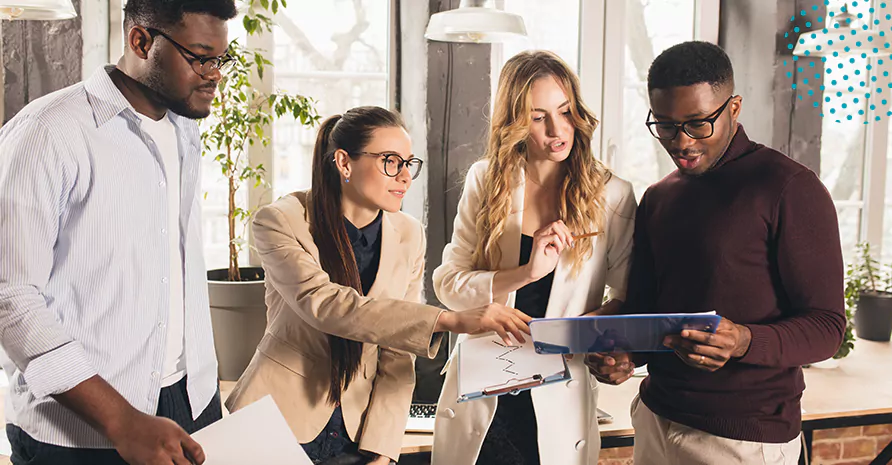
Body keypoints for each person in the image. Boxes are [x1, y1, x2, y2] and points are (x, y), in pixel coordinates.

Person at [0, 1, 240, 464]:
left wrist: (204, 399)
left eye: (221, 59)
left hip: (189, 404)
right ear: (141, 42)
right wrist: (120, 419)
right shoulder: (48, 131)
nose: (215, 74)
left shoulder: (183, 127)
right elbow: (10, 294)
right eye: (200, 57)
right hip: (80, 432)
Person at [224, 106, 532, 465]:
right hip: (275, 421)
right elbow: (325, 305)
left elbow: (397, 354)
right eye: (390, 161)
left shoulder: (409, 234)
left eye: (408, 163)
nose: (404, 176)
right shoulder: (281, 220)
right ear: (344, 163)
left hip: (358, 435)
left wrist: (384, 450)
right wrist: (448, 320)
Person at [592, 41, 846, 465]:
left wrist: (745, 340)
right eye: (667, 126)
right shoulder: (658, 197)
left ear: (734, 107)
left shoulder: (789, 188)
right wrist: (626, 355)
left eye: (697, 123)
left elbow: (827, 328)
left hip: (743, 439)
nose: (682, 142)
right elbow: (650, 309)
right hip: (656, 418)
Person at [430, 50, 638, 465]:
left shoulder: (613, 194)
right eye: (538, 116)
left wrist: (582, 334)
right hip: (483, 398)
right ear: (514, 122)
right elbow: (448, 286)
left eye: (565, 111)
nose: (558, 130)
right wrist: (525, 273)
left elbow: (626, 296)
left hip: (558, 398)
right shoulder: (485, 181)